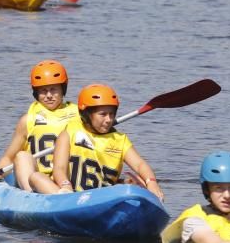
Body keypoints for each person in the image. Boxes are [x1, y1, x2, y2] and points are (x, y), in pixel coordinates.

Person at [29, 84, 165, 201]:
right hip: (71, 196)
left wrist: (152, 183)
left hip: (102, 200)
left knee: (135, 183)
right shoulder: (69, 132)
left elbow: (140, 165)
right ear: (87, 114)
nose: (108, 119)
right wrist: (65, 187)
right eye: (103, 114)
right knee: (36, 177)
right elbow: (59, 169)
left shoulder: (120, 140)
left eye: (112, 114)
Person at [0, 60, 80, 190]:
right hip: (36, 179)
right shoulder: (27, 120)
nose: (49, 95)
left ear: (63, 90)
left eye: (54, 90)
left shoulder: (79, 115)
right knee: (21, 156)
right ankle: (31, 196)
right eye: (43, 91)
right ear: (36, 93)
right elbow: (8, 158)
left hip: (66, 178)